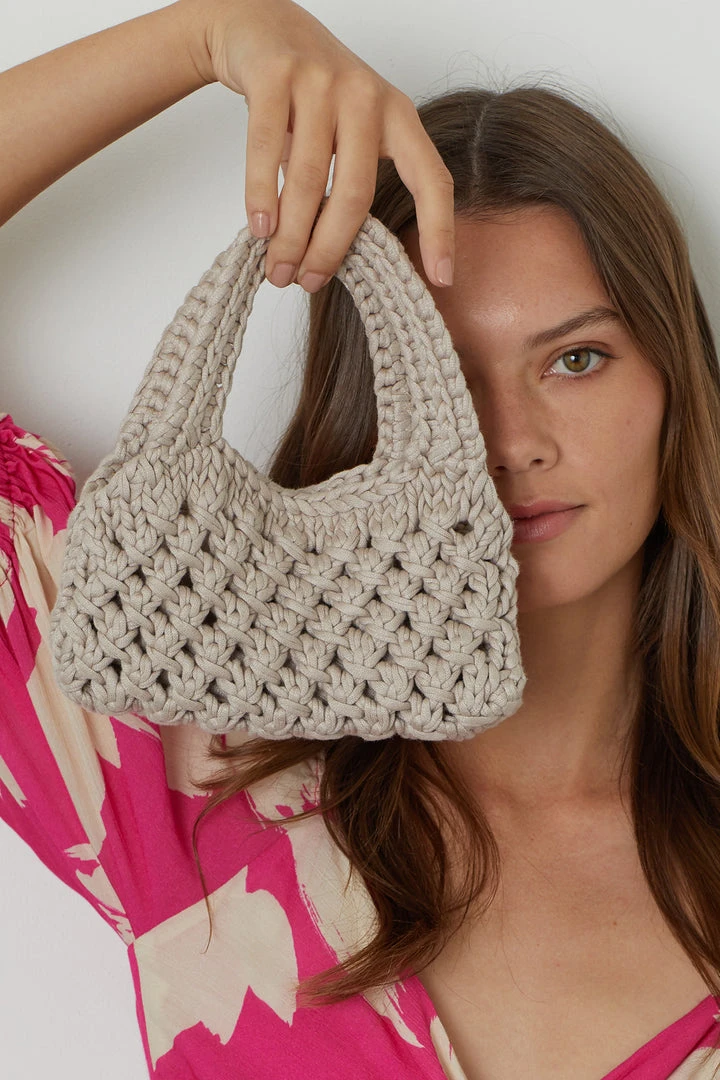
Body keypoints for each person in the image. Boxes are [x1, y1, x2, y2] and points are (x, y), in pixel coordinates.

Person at [2, 1, 720, 1078]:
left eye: (576, 360)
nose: (510, 443)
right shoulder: (174, 758)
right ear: (367, 407)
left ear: (676, 386)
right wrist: (207, 34)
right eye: (442, 376)